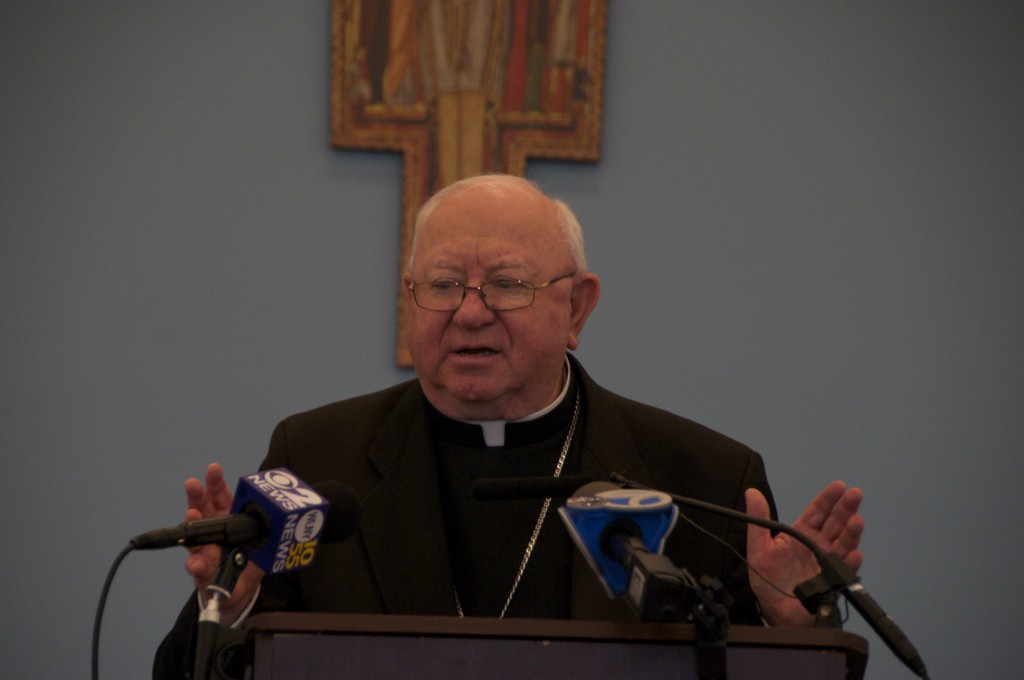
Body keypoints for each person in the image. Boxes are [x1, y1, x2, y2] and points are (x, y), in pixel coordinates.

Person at [154, 174, 864, 677]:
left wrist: (795, 630)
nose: (469, 313)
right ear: (409, 300)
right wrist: (229, 608)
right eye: (441, 285)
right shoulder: (317, 460)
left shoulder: (703, 479)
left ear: (577, 308)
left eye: (507, 285)